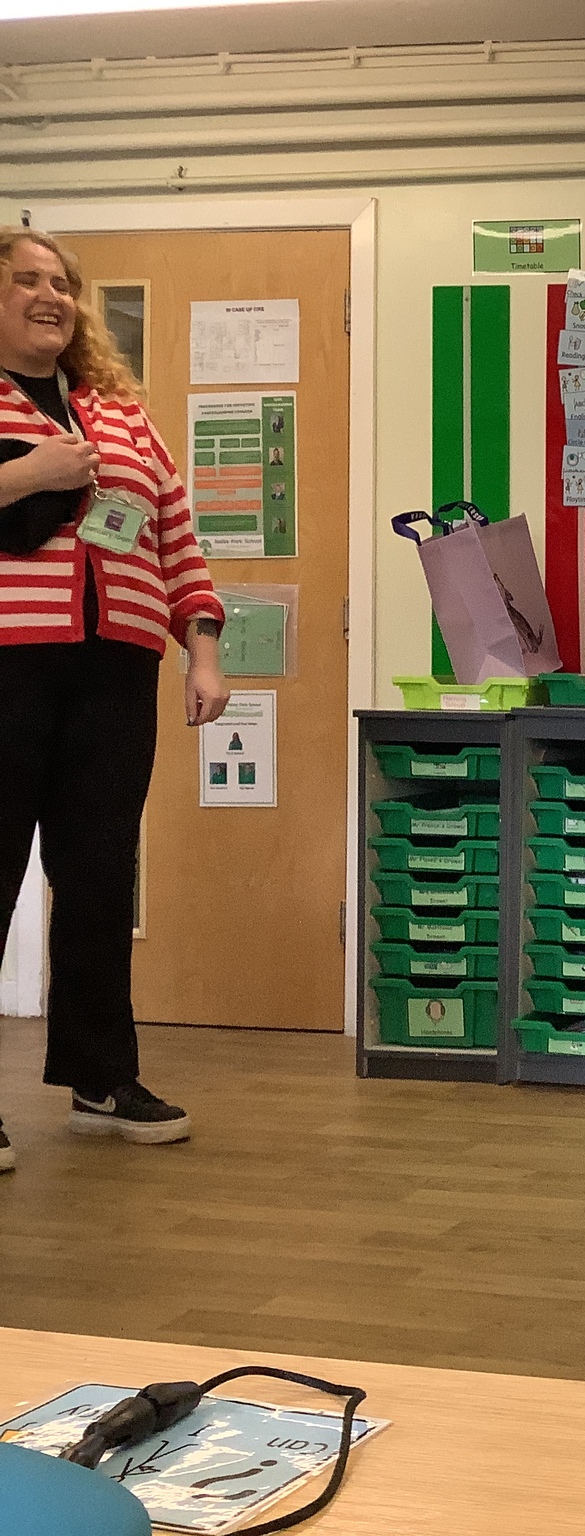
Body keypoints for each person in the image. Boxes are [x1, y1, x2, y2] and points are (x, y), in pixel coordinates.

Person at [0, 229, 230, 1172]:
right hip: (8, 666)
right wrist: (30, 474)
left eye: (62, 283)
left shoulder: (123, 418)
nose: (50, 295)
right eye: (26, 279)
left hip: (114, 674)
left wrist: (201, 652)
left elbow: (177, 537)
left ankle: (101, 1077)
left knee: (99, 878)